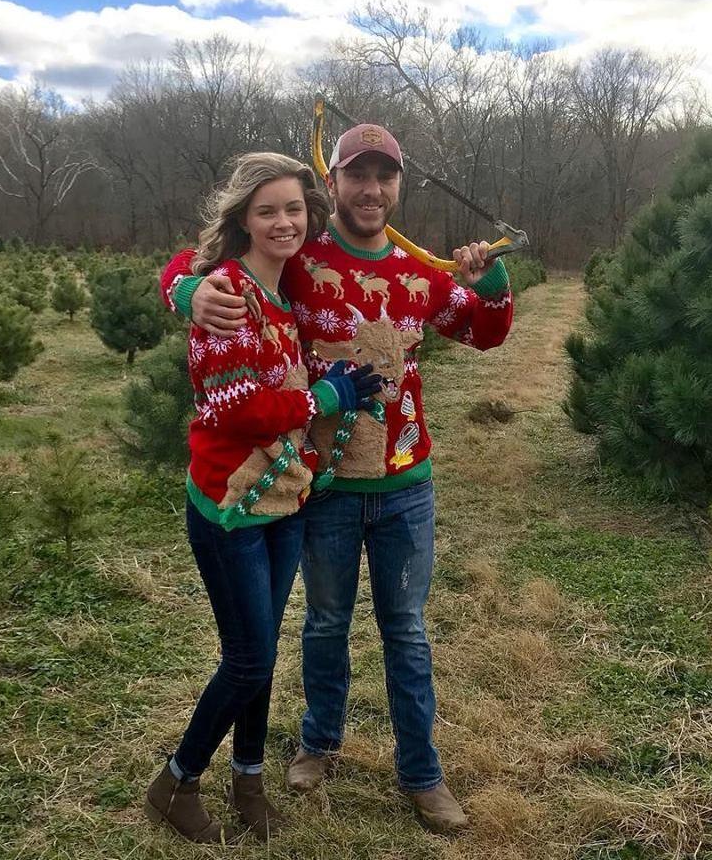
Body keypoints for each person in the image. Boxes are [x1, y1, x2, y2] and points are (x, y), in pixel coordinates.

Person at [160, 125, 514, 835]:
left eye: (385, 176)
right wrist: (189, 290)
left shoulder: (421, 274)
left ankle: (422, 773)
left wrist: (493, 282)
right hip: (322, 486)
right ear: (337, 183)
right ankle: (319, 742)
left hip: (406, 484)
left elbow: (484, 332)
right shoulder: (305, 259)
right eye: (358, 174)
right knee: (324, 623)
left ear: (398, 186)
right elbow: (203, 260)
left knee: (406, 631)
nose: (371, 189)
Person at [146, 152, 381, 843]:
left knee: (260, 651)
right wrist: (323, 396)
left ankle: (248, 776)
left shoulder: (285, 285)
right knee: (247, 658)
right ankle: (178, 779)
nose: (284, 221)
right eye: (267, 210)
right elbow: (235, 405)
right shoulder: (226, 291)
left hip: (282, 500)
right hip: (229, 506)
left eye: (294, 209)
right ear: (243, 220)